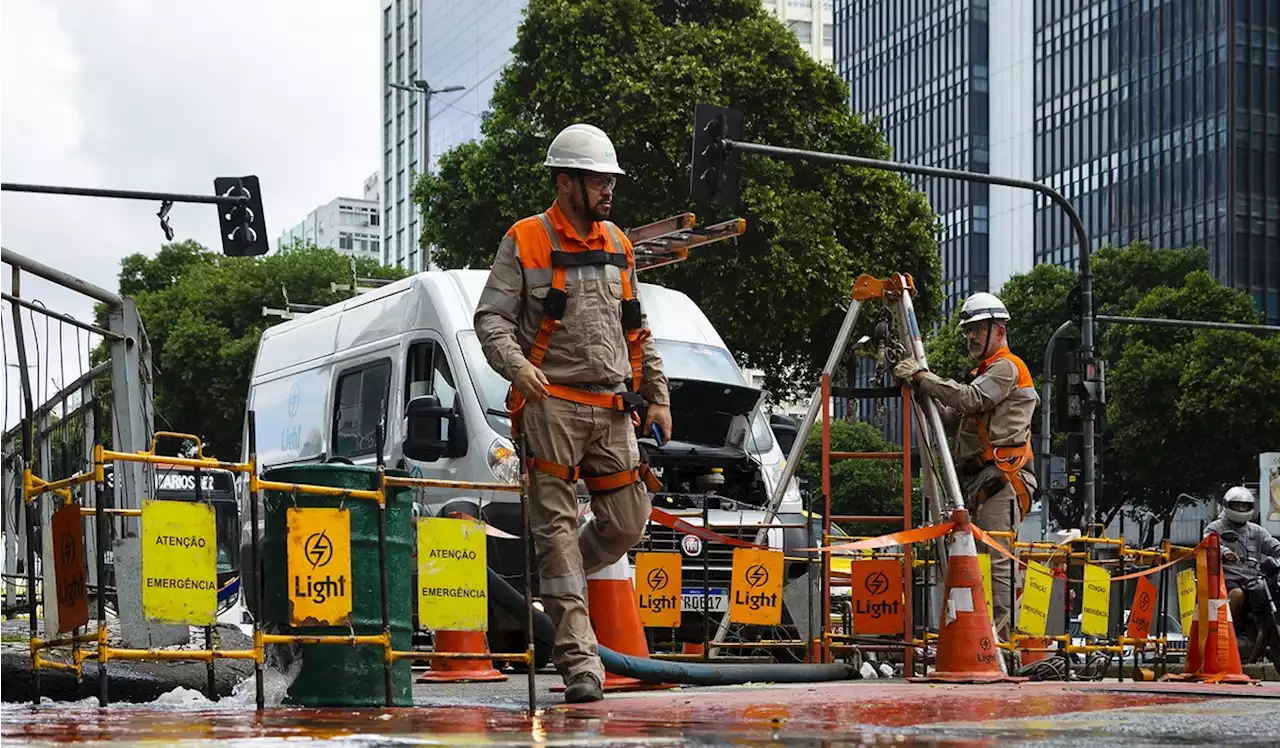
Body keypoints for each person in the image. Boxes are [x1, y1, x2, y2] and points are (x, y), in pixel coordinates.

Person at [474, 122, 671, 704]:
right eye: (597, 180)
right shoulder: (526, 239)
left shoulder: (619, 244)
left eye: (610, 180)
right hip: (550, 407)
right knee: (556, 534)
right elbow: (491, 319)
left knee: (628, 521)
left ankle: (556, 579)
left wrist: (656, 393)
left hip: (611, 410)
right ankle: (581, 665)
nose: (608, 190)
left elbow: (637, 328)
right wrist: (517, 368)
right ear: (565, 183)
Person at [892, 292, 1038, 640]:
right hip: (981, 479)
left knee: (997, 560)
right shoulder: (982, 373)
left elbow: (970, 399)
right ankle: (982, 639)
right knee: (980, 559)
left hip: (1002, 478)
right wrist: (917, 388)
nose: (970, 336)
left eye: (977, 329)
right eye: (968, 330)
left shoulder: (1006, 367)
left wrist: (923, 377)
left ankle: (1005, 642)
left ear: (998, 329)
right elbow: (951, 417)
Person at [1204, 486, 1280, 620]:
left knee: (1274, 592)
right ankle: (1230, 631)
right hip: (1227, 579)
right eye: (1237, 505)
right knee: (1237, 595)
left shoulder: (1257, 531)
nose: (1240, 509)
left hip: (1253, 579)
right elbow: (1208, 543)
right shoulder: (1215, 528)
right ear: (1227, 505)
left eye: (1244, 506)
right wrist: (1224, 552)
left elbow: (1274, 546)